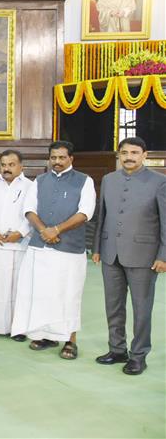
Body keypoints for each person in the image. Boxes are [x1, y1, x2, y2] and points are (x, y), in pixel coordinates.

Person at [11, 140, 96, 361]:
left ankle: (70, 339)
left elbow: (85, 212)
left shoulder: (84, 181)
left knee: (69, 293)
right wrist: (44, 231)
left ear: (71, 159)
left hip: (70, 249)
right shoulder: (39, 180)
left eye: (62, 158)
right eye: (53, 158)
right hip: (40, 246)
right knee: (41, 293)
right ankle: (45, 335)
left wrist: (57, 229)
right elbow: (29, 209)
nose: (57, 162)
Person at [92, 137, 166, 375]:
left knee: (141, 308)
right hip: (110, 253)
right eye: (124, 152)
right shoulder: (109, 180)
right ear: (118, 155)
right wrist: (96, 248)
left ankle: (138, 355)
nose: (129, 157)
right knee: (113, 305)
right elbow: (101, 217)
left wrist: (163, 255)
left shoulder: (160, 182)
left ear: (145, 155)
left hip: (144, 256)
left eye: (134, 152)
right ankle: (117, 349)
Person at [0, 149, 33, 341]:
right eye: (3, 164)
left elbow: (33, 212)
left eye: (11, 164)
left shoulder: (30, 186)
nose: (7, 168)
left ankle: (17, 328)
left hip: (19, 244)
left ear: (21, 166)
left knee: (17, 288)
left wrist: (20, 232)